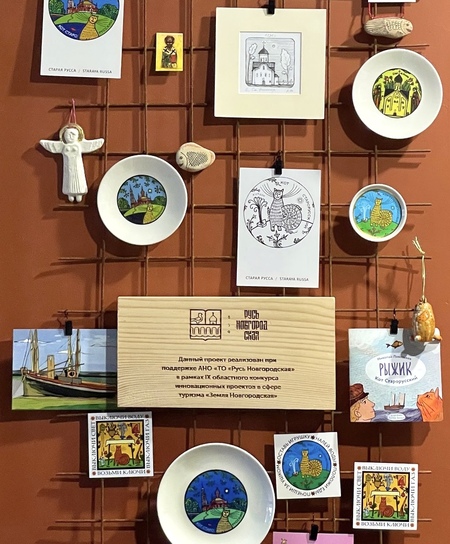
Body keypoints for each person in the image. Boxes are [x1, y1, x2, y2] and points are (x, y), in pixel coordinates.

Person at [40, 124, 104, 202]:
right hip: (68, 166)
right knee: (68, 178)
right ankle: (69, 194)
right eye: (68, 135)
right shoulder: (63, 146)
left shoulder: (78, 146)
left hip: (77, 167)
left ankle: (79, 193)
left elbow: (92, 145)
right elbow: (51, 146)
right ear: (64, 136)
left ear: (77, 136)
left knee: (79, 178)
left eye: (73, 135)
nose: (70, 137)